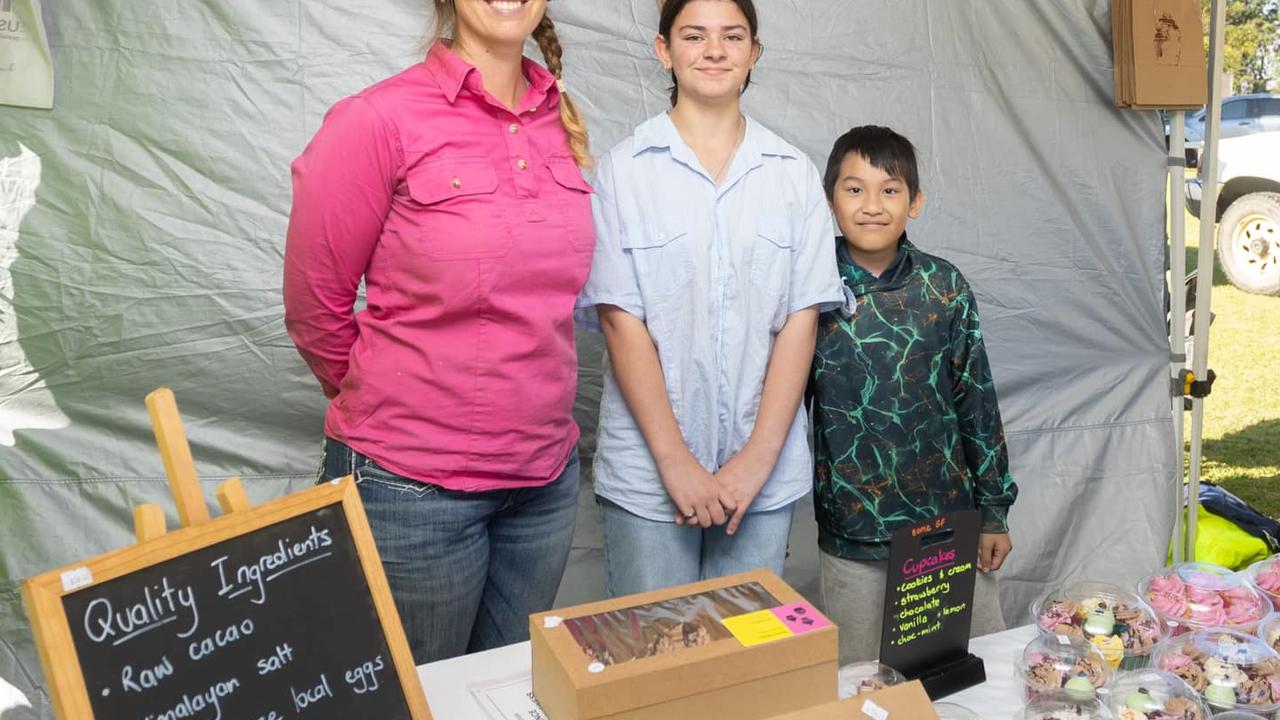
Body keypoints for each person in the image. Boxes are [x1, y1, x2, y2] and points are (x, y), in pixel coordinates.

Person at [282, 0, 593, 663]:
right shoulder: (376, 121)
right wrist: (398, 408)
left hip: (543, 485)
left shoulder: (557, 117)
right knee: (417, 702)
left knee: (507, 695)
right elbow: (315, 306)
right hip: (412, 492)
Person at [577, 0, 844, 597]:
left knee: (743, 667)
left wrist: (757, 459)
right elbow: (621, 321)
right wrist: (676, 464)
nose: (714, 50)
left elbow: (801, 322)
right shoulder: (625, 172)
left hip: (763, 477)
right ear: (664, 49)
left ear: (755, 52)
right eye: (694, 36)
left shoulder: (792, 174)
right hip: (649, 475)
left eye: (732, 36)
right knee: (653, 660)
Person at [810, 125, 1019, 663]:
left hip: (944, 526)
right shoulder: (809, 286)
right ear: (829, 199)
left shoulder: (944, 286)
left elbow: (977, 399)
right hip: (852, 528)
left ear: (916, 202)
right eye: (854, 189)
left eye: (890, 189)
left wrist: (993, 511)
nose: (872, 206)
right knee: (859, 679)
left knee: (970, 671)